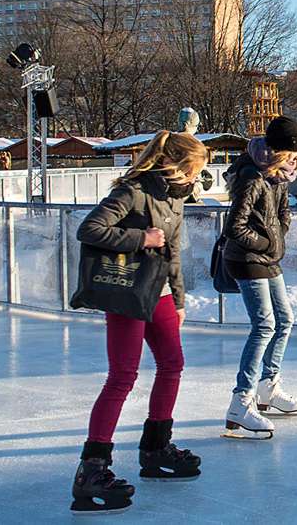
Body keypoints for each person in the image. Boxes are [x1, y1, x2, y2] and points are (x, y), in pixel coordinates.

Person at [69, 130, 208, 514]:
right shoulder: (133, 190)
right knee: (122, 377)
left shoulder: (175, 197)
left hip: (161, 293)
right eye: (194, 170)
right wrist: (140, 238)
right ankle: (92, 469)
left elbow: (174, 251)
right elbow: (90, 229)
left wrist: (178, 300)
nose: (197, 178)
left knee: (172, 365)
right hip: (129, 292)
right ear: (177, 166)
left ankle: (156, 448)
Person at [222, 116, 297, 440]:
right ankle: (241, 401)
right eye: (292, 154)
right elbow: (235, 227)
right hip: (245, 259)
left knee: (285, 319)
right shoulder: (251, 177)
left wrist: (279, 235)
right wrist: (266, 243)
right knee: (265, 325)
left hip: (267, 258)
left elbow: (283, 212)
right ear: (277, 150)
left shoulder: (280, 177)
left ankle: (267, 387)